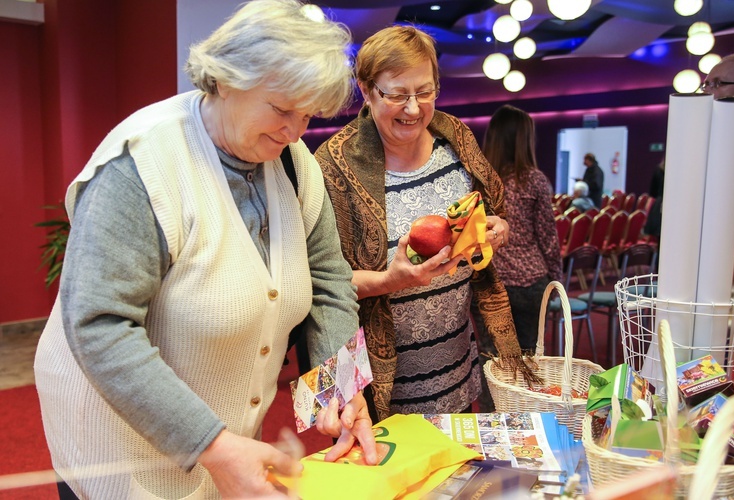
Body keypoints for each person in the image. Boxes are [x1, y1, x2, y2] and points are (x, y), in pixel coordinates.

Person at [33, 1, 377, 498]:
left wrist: (340, 391)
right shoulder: (141, 165)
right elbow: (99, 324)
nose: (295, 132)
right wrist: (213, 445)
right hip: (122, 446)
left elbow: (327, 282)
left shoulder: (296, 164)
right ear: (226, 79)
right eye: (282, 109)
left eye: (307, 116)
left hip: (227, 442)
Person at [315, 26, 537, 422]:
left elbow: (486, 211)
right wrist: (390, 281)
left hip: (455, 364)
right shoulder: (333, 166)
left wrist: (494, 228)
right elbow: (318, 285)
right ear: (366, 91)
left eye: (425, 91)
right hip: (375, 386)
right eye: (398, 95)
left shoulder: (456, 139)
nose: (414, 109)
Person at [482, 105, 563, 352]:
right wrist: (557, 279)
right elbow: (548, 237)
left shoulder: (479, 180)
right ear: (524, 140)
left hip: (491, 280)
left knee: (493, 361)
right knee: (530, 358)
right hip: (531, 280)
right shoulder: (533, 179)